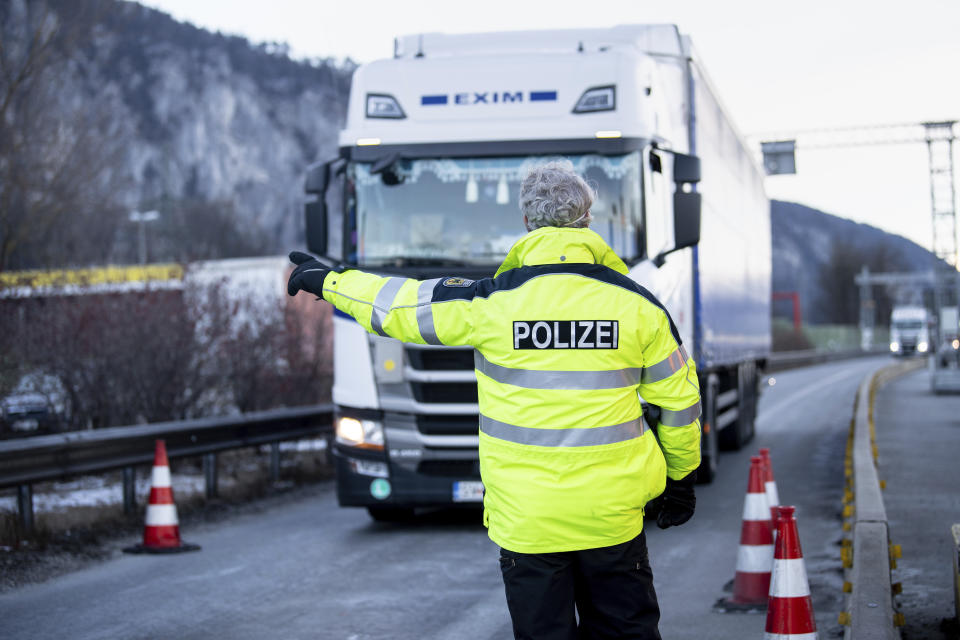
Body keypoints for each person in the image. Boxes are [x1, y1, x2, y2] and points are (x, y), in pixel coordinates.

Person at [288, 160, 700, 640]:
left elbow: (398, 305)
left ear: (527, 223)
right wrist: (680, 479)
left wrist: (330, 281)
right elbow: (679, 405)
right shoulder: (638, 307)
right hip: (612, 519)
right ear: (589, 221)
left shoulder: (491, 303)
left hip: (527, 522)